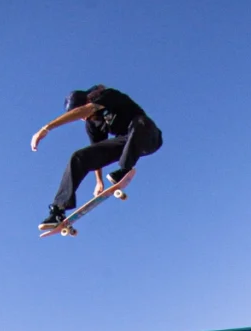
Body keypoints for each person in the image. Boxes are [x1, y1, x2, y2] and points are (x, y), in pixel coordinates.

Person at [31, 85, 163, 230]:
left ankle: (124, 168)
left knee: (140, 122)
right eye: (82, 118)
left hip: (148, 136)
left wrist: (46, 128)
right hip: (124, 142)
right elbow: (97, 152)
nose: (84, 118)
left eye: (82, 114)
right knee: (79, 157)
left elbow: (87, 110)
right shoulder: (92, 123)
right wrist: (99, 182)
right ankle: (58, 210)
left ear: (88, 101)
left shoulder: (108, 96)